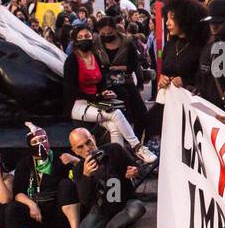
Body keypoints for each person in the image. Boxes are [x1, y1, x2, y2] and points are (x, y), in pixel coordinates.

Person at [61, 23, 155, 163]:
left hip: (96, 102)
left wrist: (104, 91)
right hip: (79, 105)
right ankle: (137, 147)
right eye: (80, 37)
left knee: (114, 127)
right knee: (115, 113)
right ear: (75, 40)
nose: (84, 39)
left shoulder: (95, 57)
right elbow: (71, 89)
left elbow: (101, 81)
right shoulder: (72, 61)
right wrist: (95, 96)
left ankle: (118, 162)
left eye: (87, 36)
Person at [58, 127, 145, 228]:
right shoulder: (79, 169)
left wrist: (134, 172)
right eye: (80, 147)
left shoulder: (114, 149)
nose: (87, 149)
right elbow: (85, 200)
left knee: (138, 208)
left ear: (93, 138)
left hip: (125, 202)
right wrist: (86, 176)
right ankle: (108, 227)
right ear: (75, 151)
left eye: (88, 142)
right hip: (101, 210)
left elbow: (138, 169)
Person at [196, 0, 225, 112]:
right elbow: (201, 79)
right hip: (207, 117)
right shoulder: (207, 48)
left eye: (219, 22)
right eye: (211, 22)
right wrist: (196, 89)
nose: (213, 27)